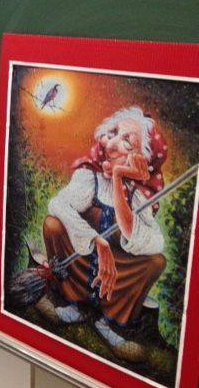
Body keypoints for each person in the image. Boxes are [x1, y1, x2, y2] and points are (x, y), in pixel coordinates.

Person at [38, 106, 167, 362]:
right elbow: (58, 204)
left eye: (127, 141)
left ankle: (106, 323)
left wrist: (119, 177)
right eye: (114, 132)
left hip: (116, 273)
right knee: (52, 225)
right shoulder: (90, 177)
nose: (113, 143)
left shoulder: (138, 195)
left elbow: (155, 242)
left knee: (156, 262)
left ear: (141, 158)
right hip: (82, 259)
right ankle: (73, 306)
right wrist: (95, 240)